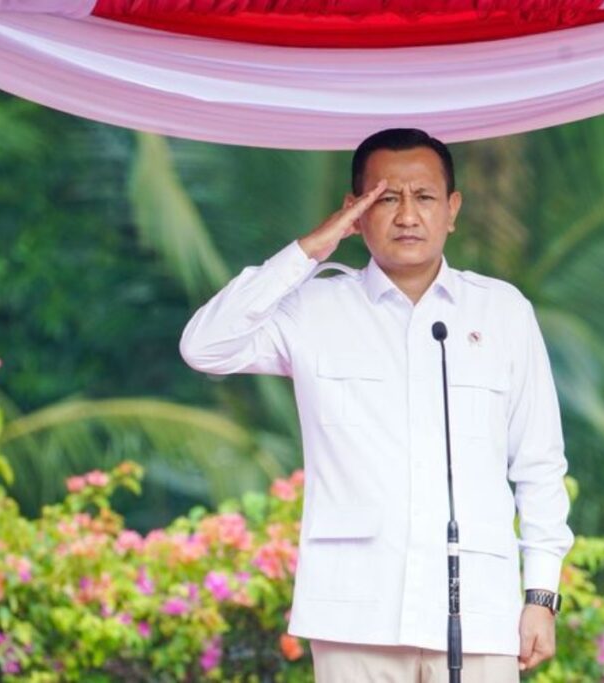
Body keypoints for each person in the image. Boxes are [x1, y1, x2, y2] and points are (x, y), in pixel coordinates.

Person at [179, 128, 575, 682]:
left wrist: (541, 595)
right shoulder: (314, 308)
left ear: (453, 209)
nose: (407, 215)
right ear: (356, 211)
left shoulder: (503, 312)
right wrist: (310, 250)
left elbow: (539, 465)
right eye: (387, 198)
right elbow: (204, 346)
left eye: (425, 197)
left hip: (478, 610)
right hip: (355, 612)